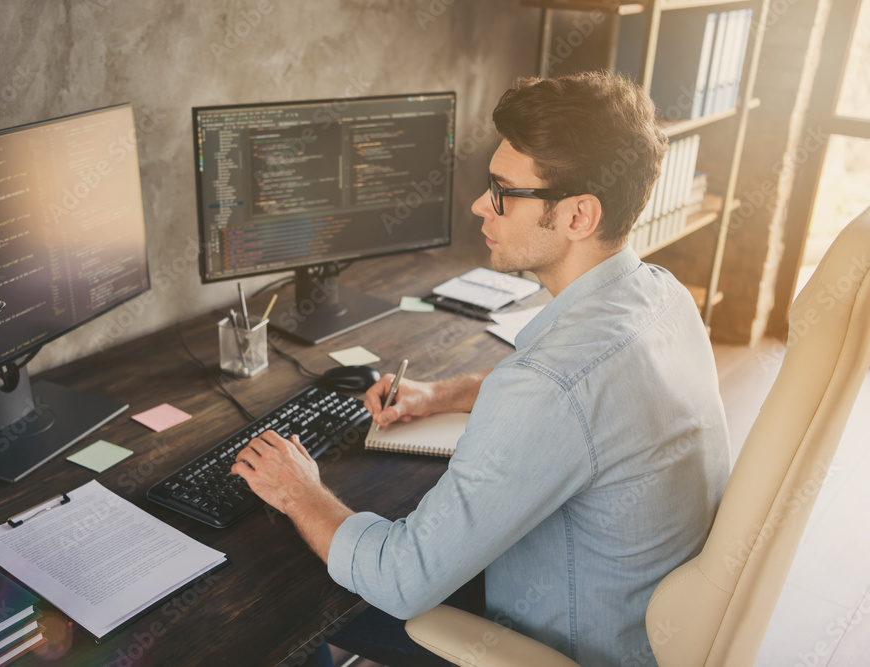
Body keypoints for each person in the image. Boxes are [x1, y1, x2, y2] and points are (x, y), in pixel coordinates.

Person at [231, 71, 731, 667]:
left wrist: (301, 491)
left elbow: (401, 580)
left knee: (293, 590)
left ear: (578, 216)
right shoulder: (662, 296)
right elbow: (597, 402)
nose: (479, 206)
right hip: (643, 627)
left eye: (502, 191)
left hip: (559, 650)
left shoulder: (549, 386)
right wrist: (448, 392)